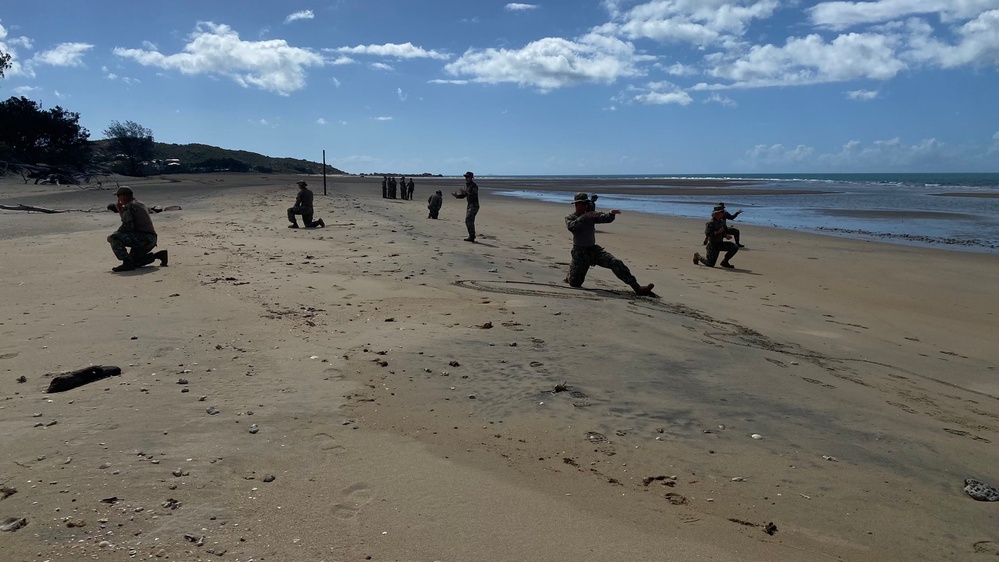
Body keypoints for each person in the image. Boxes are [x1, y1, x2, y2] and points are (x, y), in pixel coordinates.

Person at [564, 192, 654, 295]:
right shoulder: (570, 217)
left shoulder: (591, 215)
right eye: (583, 203)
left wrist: (611, 214)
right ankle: (570, 274)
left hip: (593, 250)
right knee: (575, 283)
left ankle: (637, 288)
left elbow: (604, 218)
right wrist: (585, 216)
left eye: (586, 203)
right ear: (577, 204)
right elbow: (572, 227)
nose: (586, 205)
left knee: (615, 262)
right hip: (580, 253)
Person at [107, 186, 167, 272]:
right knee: (134, 261)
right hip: (151, 239)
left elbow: (127, 226)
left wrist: (120, 211)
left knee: (114, 237)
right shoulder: (139, 203)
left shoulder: (130, 206)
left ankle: (126, 263)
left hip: (144, 238)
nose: (118, 199)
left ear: (123, 196)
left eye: (118, 196)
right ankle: (158, 255)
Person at [452, 171, 480, 242]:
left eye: (467, 177)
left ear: (471, 178)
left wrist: (466, 192)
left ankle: (472, 236)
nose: (466, 178)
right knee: (468, 220)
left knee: (469, 220)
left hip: (474, 205)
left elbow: (473, 195)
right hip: (469, 205)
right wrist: (457, 196)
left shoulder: (474, 186)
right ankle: (471, 236)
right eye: (465, 177)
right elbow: (464, 195)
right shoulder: (467, 185)